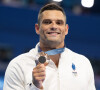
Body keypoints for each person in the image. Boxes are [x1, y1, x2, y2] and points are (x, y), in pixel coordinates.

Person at [3, 3, 96, 90]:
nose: (54, 26)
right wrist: (35, 86)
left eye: (59, 23)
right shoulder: (18, 65)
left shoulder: (83, 63)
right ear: (37, 28)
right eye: (47, 22)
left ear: (66, 29)